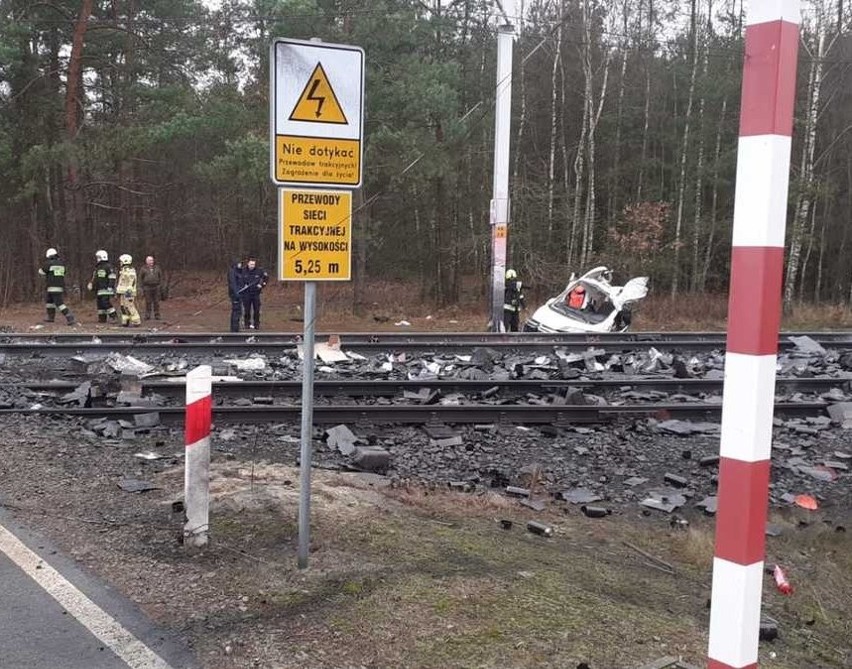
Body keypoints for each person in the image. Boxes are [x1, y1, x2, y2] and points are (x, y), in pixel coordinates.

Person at [38, 248, 76, 325]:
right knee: (49, 301)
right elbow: (64, 272)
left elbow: (41, 271)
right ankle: (51, 317)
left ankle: (69, 316)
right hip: (60, 286)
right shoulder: (61, 264)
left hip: (52, 286)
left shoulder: (48, 263)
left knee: (59, 303)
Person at [87, 250, 118, 323]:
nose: (97, 259)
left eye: (98, 257)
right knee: (100, 304)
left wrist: (110, 286)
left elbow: (112, 277)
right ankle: (102, 318)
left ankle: (114, 316)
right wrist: (92, 285)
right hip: (99, 289)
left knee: (105, 302)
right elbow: (95, 278)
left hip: (106, 289)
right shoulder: (98, 268)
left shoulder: (108, 267)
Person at [240, 256, 269, 330]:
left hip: (256, 293)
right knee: (247, 310)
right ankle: (247, 324)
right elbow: (239, 280)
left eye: (253, 264)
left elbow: (266, 277)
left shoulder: (259, 271)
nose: (252, 266)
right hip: (246, 293)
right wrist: (243, 285)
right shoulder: (243, 271)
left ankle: (257, 324)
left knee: (257, 310)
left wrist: (262, 285)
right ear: (248, 264)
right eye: (251, 264)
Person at [116, 254, 141, 327]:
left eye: (121, 261)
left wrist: (129, 289)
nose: (120, 263)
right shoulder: (123, 270)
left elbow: (132, 280)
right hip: (122, 291)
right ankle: (125, 321)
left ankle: (136, 321)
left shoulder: (130, 270)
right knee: (123, 306)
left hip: (128, 292)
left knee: (129, 306)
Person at [138, 255, 163, 320]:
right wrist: (141, 287)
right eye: (149, 260)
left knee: (156, 302)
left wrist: (160, 285)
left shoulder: (157, 268)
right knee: (148, 301)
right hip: (147, 287)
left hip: (156, 286)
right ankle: (147, 314)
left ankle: (157, 314)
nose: (151, 262)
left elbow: (160, 277)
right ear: (146, 261)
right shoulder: (143, 269)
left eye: (152, 260)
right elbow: (140, 278)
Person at [227, 258, 244, 332]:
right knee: (236, 311)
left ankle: (236, 327)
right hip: (235, 295)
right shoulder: (232, 272)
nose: (241, 265)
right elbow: (233, 284)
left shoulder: (239, 272)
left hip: (239, 293)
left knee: (238, 311)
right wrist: (236, 293)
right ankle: (234, 329)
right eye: (239, 264)